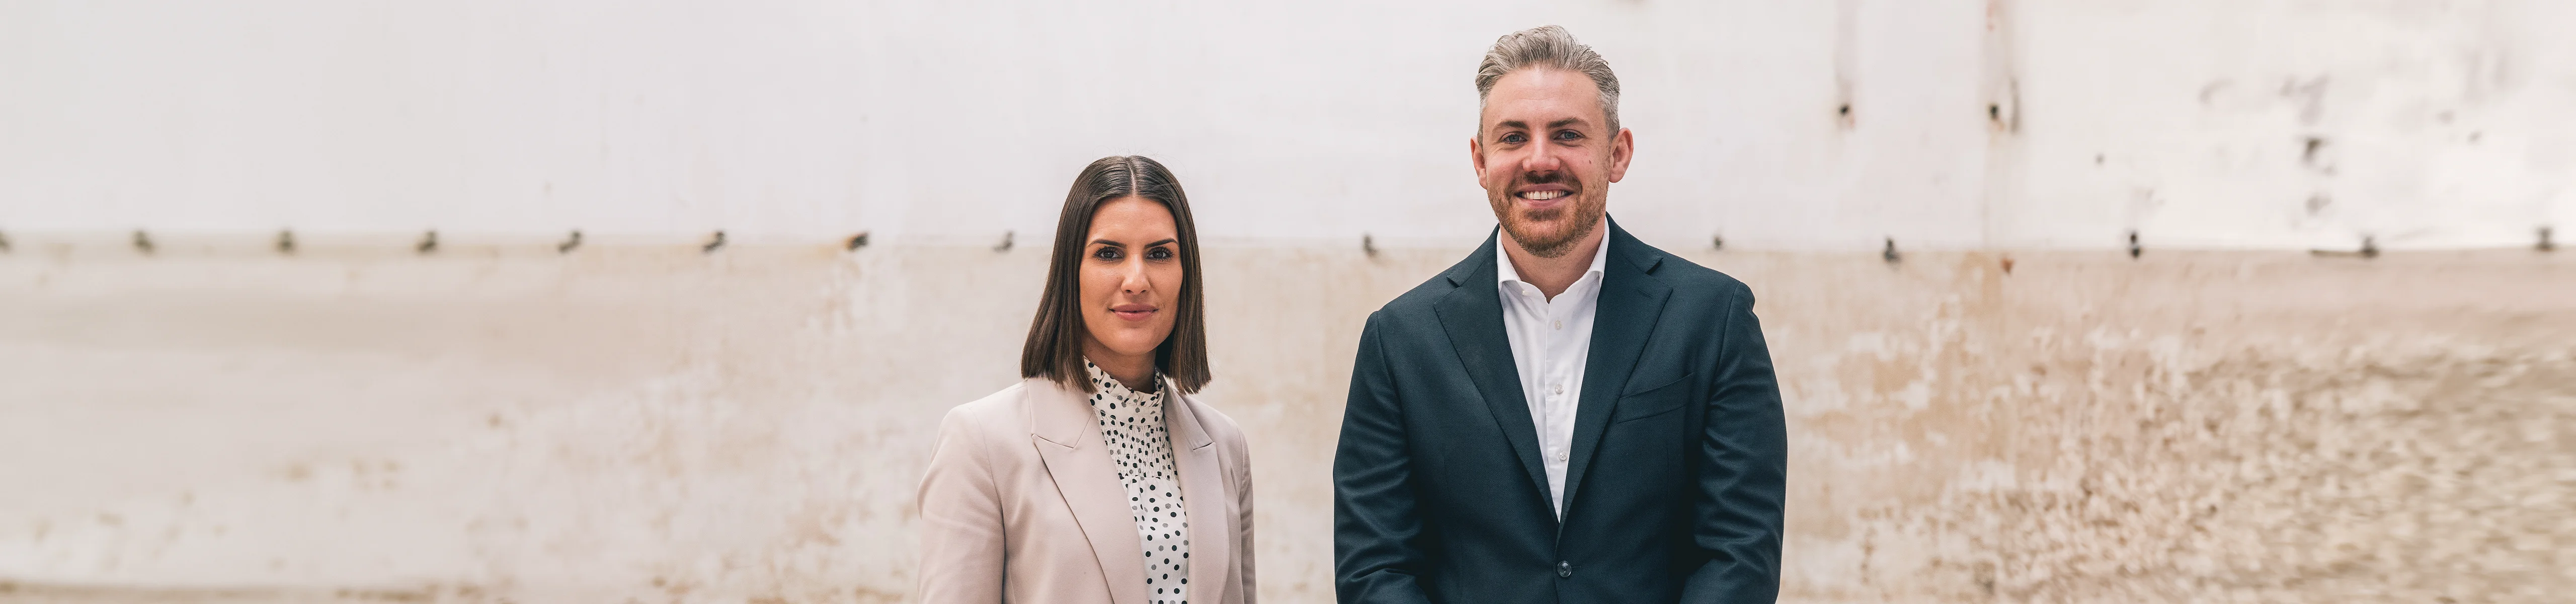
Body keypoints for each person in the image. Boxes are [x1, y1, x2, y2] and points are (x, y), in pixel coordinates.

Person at [1333, 26, 1787, 603]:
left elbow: (1739, 552)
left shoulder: (1712, 319)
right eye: (1513, 137)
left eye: (1567, 135)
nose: (1539, 160)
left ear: (1616, 154)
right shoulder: (1399, 340)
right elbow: (1375, 566)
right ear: (1480, 160)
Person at [918, 156, 1256, 604]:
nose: (1136, 280)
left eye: (1159, 254)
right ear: (1070, 273)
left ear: (1186, 274)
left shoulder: (1225, 445)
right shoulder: (981, 442)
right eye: (1108, 253)